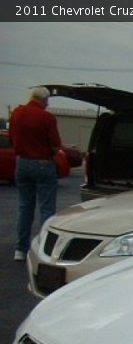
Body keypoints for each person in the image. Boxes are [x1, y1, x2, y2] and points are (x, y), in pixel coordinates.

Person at [9, 87, 62, 261]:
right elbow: (55, 144)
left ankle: (20, 249)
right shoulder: (47, 117)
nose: (47, 104)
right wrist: (51, 155)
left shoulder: (17, 113)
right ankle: (43, 249)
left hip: (22, 162)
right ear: (43, 100)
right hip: (42, 162)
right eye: (47, 101)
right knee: (47, 209)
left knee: (25, 207)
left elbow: (11, 137)